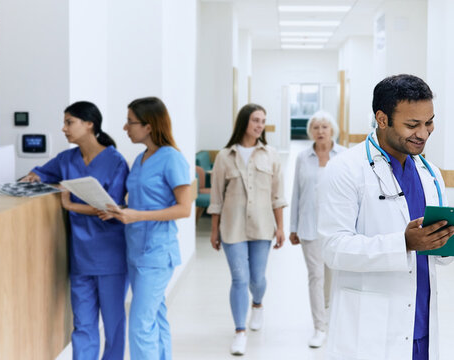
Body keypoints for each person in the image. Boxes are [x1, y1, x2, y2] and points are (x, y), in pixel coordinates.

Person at [318, 74, 454, 360]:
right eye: (412, 124)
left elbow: (440, 254)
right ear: (382, 119)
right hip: (371, 326)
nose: (424, 133)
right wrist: (402, 243)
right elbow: (333, 248)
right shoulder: (345, 169)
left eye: (429, 122)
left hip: (421, 321)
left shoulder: (430, 174)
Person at [20, 101, 129, 360]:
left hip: (110, 255)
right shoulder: (67, 158)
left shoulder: (115, 161)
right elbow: (42, 172)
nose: (64, 128)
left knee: (113, 325)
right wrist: (32, 177)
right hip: (80, 256)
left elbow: (112, 209)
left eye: (70, 122)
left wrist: (71, 205)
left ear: (89, 124)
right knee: (83, 325)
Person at [101, 96, 191, 360]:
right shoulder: (141, 159)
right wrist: (117, 211)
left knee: (140, 324)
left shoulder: (171, 159)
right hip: (135, 250)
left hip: (157, 253)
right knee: (155, 317)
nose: (125, 128)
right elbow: (138, 202)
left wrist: (137, 215)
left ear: (149, 126)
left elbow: (184, 208)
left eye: (131, 122)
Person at [207, 103, 288, 355]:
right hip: (232, 227)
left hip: (263, 226)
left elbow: (277, 195)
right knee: (239, 279)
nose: (259, 125)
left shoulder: (271, 154)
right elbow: (216, 198)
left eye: (263, 121)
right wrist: (214, 230)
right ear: (244, 122)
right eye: (255, 120)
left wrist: (281, 227)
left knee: (257, 278)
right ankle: (239, 331)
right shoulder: (224, 156)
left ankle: (258, 304)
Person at [288, 110, 346, 348]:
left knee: (334, 277)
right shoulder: (303, 157)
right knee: (316, 277)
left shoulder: (343, 155)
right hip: (309, 227)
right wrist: (292, 226)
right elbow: (296, 193)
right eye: (316, 127)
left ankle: (332, 320)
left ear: (332, 129)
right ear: (310, 131)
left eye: (325, 127)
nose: (320, 131)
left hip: (336, 227)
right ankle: (319, 327)